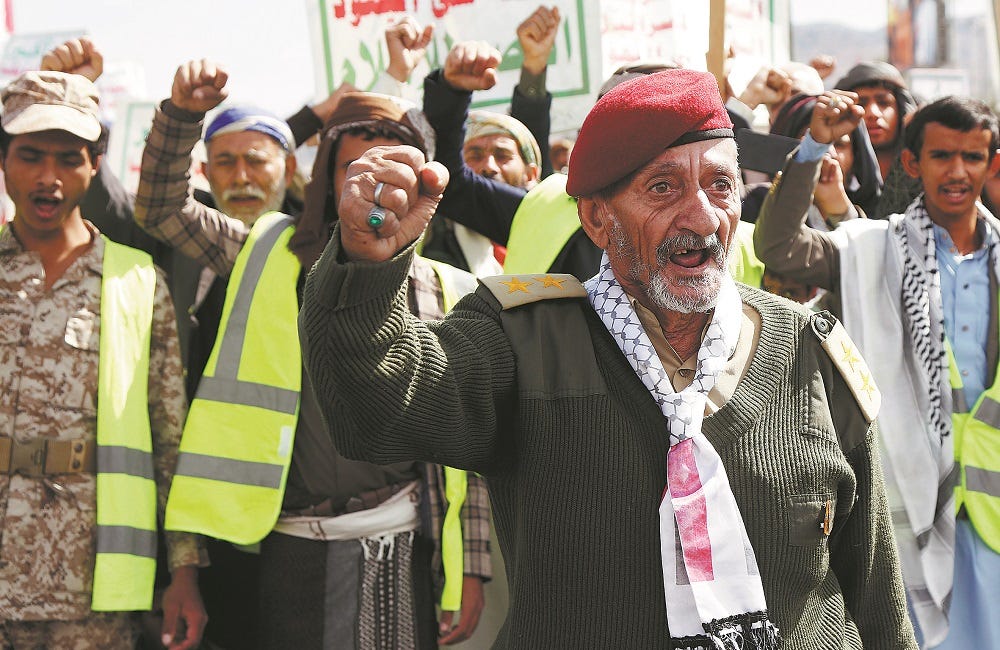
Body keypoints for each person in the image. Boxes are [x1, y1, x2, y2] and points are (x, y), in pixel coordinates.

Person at [300, 68, 917, 649]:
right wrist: (367, 263)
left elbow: (872, 579)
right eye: (663, 187)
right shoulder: (525, 341)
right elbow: (374, 411)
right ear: (598, 219)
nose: (701, 216)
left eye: (720, 184)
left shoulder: (807, 346)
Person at [138, 59, 492, 649]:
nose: (373, 187)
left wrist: (471, 569)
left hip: (406, 540)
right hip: (287, 543)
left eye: (394, 168)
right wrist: (181, 117)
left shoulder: (447, 287)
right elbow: (159, 207)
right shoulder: (264, 248)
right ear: (327, 176)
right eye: (355, 168)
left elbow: (468, 446)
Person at [754, 92, 1000, 649]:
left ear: (991, 163)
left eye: (973, 157)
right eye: (941, 156)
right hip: (898, 510)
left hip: (989, 520)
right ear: (912, 164)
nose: (957, 172)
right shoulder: (872, 248)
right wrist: (815, 146)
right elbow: (778, 246)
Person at [0, 70, 207, 648]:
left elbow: (170, 440)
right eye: (30, 155)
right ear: (2, 161)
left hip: (92, 586)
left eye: (69, 158)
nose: (48, 178)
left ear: (95, 165)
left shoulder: (138, 281)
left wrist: (184, 574)